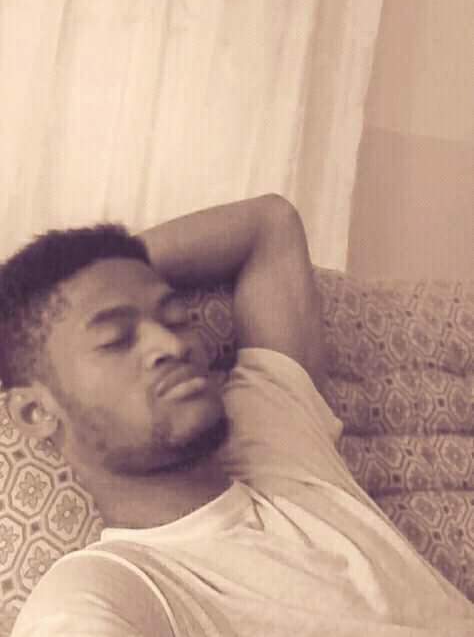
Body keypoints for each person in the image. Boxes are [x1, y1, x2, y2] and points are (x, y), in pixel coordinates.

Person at [2, 194, 473, 636]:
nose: (171, 344)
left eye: (175, 318)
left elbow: (270, 225)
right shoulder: (114, 586)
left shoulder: (277, 433)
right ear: (35, 410)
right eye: (116, 340)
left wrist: (110, 269)